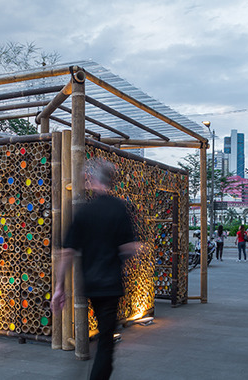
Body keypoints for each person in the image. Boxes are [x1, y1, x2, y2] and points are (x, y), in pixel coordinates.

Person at [52, 159, 142, 380]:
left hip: (90, 285)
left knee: (103, 338)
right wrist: (133, 250)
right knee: (105, 344)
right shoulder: (120, 208)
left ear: (92, 182)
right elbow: (128, 247)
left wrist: (59, 287)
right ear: (111, 182)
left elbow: (66, 252)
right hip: (111, 285)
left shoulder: (84, 212)